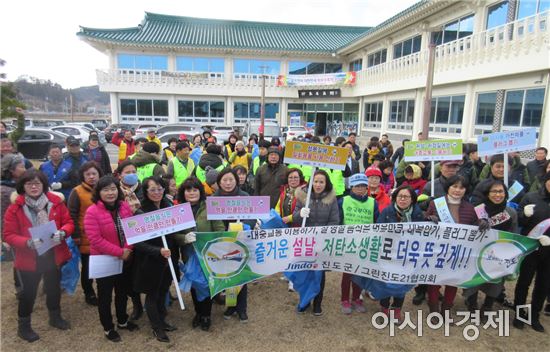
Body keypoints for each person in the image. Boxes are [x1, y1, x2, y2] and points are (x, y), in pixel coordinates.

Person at [3, 169, 74, 342]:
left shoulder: (56, 202)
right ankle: (24, 326)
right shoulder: (15, 208)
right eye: (29, 184)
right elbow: (8, 235)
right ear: (22, 186)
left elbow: (68, 222)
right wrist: (27, 242)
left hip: (53, 253)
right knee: (28, 293)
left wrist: (63, 232)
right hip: (29, 257)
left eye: (37, 183)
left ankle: (55, 317)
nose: (33, 187)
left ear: (43, 185)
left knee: (53, 288)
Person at [85, 176, 138, 342]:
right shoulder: (92, 211)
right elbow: (95, 239)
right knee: (105, 296)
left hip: (125, 258)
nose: (110, 193)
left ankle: (122, 320)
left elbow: (132, 228)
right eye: (106, 189)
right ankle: (108, 328)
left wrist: (128, 249)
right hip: (105, 260)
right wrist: (119, 252)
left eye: (113, 189)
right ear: (99, 192)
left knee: (122, 292)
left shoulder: (124, 207)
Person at [425, 175, 487, 317]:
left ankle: (446, 309)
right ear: (448, 187)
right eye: (454, 186)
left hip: (458, 251)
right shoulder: (436, 204)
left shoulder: (470, 208)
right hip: (438, 249)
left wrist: (481, 223)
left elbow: (474, 226)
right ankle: (434, 309)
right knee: (434, 280)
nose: (457, 190)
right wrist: (429, 218)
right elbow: (425, 221)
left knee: (452, 280)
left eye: (461, 187)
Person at [175, 177, 225, 331]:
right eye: (188, 190)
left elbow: (220, 228)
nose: (191, 193)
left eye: (195, 189)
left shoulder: (210, 207)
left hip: (207, 253)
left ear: (200, 191)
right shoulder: (178, 210)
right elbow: (173, 233)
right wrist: (184, 238)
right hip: (189, 253)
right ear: (183, 193)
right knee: (194, 284)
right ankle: (198, 312)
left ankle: (206, 315)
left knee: (206, 283)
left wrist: (212, 241)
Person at [133, 176, 178, 342]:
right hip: (151, 260)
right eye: (152, 189)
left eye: (160, 189)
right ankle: (157, 327)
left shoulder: (169, 205)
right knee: (152, 294)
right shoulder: (141, 211)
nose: (157, 192)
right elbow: (137, 243)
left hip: (169, 258)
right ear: (145, 191)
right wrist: (157, 250)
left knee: (164, 290)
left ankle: (162, 319)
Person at [463, 180, 518, 317]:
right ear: (487, 194)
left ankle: (488, 305)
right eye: (494, 191)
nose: (497, 194)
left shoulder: (511, 212)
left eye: (500, 191)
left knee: (496, 280)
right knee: (474, 277)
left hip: (499, 253)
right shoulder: (478, 210)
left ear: (505, 194)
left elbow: (514, 233)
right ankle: (472, 302)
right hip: (478, 251)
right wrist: (478, 223)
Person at [293, 170, 340, 316]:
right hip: (306, 241)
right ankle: (304, 301)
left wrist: (324, 237)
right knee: (305, 272)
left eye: (321, 182)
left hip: (322, 242)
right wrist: (300, 214)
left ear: (326, 183)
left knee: (319, 274)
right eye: (316, 181)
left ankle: (317, 303)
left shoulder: (331, 199)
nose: (318, 184)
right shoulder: (302, 196)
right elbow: (295, 217)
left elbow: (334, 221)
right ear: (310, 182)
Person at [377, 185, 425, 319]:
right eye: (400, 196)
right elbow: (378, 230)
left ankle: (397, 309)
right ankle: (384, 308)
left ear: (412, 199)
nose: (403, 199)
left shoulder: (417, 213)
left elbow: (422, 235)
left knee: (402, 282)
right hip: (389, 253)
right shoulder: (387, 211)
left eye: (406, 197)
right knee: (385, 282)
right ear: (395, 198)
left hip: (407, 255)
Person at [213, 169, 252, 322]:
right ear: (219, 182)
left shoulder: (245, 197)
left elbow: (253, 217)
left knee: (241, 275)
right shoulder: (213, 199)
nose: (228, 183)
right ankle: (231, 305)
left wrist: (246, 226)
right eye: (224, 180)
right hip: (222, 243)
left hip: (242, 241)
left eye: (231, 180)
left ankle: (241, 308)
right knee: (227, 275)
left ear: (237, 181)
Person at [513, 172, 550, 332]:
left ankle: (534, 315)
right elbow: (520, 222)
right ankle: (520, 315)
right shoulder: (531, 197)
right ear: (546, 181)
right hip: (531, 248)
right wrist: (524, 214)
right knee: (524, 282)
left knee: (543, 284)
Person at [338, 174, 378, 314]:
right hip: (348, 243)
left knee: (360, 273)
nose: (360, 189)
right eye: (357, 186)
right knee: (347, 273)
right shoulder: (343, 200)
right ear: (351, 187)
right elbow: (338, 221)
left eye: (363, 186)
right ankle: (344, 299)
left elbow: (376, 222)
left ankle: (356, 298)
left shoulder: (373, 202)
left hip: (365, 243)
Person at [68, 161, 103, 306]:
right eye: (88, 174)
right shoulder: (77, 192)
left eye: (94, 173)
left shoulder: (104, 189)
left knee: (102, 265)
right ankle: (89, 292)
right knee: (88, 267)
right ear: (82, 176)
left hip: (104, 235)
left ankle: (103, 290)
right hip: (86, 236)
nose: (91, 177)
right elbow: (72, 214)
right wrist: (75, 235)